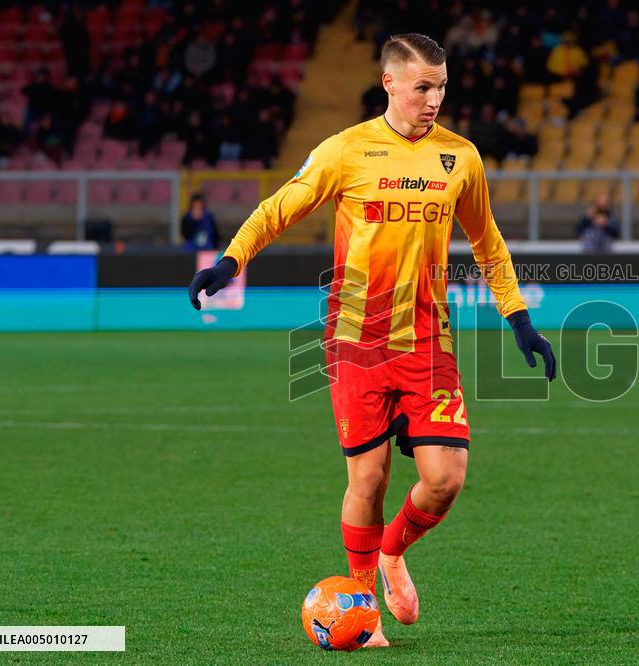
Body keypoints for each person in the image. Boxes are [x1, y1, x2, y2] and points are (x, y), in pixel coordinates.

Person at [188, 33, 555, 649]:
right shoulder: (346, 150)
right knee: (370, 480)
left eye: (440, 86)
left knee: (445, 477)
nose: (434, 98)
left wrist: (518, 319)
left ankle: (392, 553)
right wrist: (230, 262)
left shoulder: (460, 158)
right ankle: (364, 610)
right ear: (390, 84)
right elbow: (281, 207)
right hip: (356, 341)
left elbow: (488, 242)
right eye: (423, 87)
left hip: (426, 340)